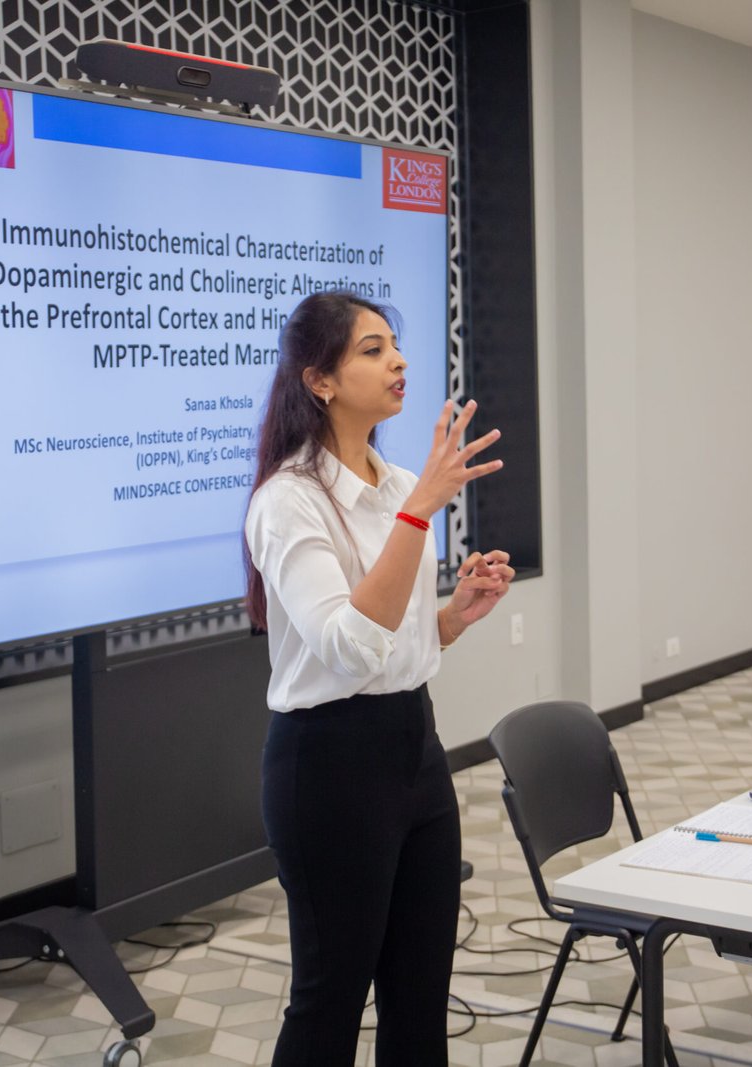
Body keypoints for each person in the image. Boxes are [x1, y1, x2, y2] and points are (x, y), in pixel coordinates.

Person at [242, 290, 513, 1064]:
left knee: (421, 999)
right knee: (329, 1004)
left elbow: (395, 642)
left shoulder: (395, 484)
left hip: (414, 749)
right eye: (372, 349)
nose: (398, 361)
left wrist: (452, 616)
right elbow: (348, 649)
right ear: (319, 380)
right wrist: (420, 511)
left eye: (395, 345)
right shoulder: (289, 501)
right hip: (329, 766)